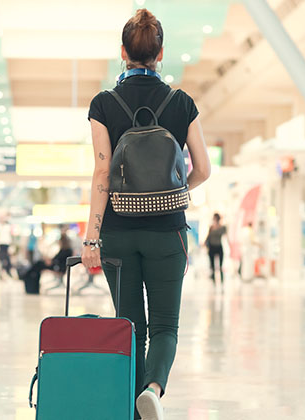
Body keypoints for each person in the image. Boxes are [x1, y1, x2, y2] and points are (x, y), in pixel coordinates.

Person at [82, 8, 211, 420]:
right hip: (167, 234)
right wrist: (174, 194)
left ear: (122, 52)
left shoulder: (104, 104)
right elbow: (204, 169)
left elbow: (103, 171)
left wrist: (91, 238)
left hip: (118, 231)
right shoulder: (181, 103)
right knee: (165, 327)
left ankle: (133, 411)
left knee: (130, 327)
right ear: (160, 54)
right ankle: (153, 390)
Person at [205, 213, 227, 284]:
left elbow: (224, 233)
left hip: (218, 246)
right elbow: (208, 237)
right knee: (212, 265)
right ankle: (213, 280)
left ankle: (222, 280)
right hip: (212, 247)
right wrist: (205, 244)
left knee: (220, 265)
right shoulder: (211, 227)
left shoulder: (222, 227)